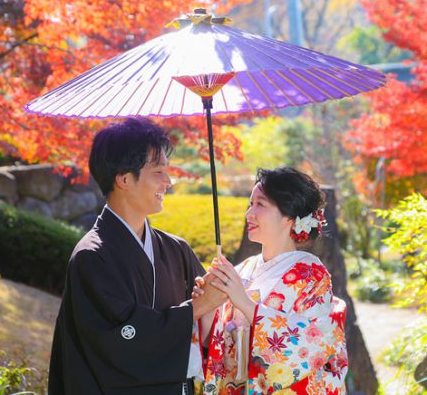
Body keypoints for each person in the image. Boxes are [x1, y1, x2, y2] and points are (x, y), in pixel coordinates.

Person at [48, 117, 225, 395]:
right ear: (124, 179)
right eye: (158, 172)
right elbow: (120, 345)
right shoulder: (92, 257)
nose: (168, 181)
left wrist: (215, 300)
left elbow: (212, 331)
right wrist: (196, 309)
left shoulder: (176, 250)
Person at [194, 167, 349, 394]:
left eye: (260, 205)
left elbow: (312, 347)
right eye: (250, 204)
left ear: (289, 217)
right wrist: (208, 310)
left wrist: (246, 304)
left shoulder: (311, 275)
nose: (249, 214)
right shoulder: (244, 269)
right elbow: (219, 344)